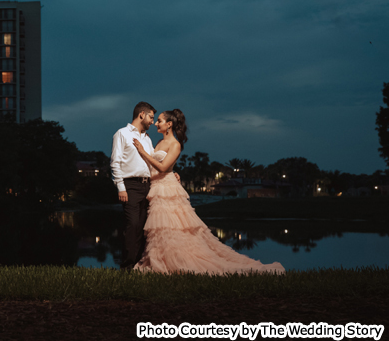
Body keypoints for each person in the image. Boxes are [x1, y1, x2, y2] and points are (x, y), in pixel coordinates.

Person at [132, 109, 285, 275]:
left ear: (169, 124)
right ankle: (159, 260)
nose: (156, 123)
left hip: (167, 189)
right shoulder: (160, 143)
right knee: (161, 229)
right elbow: (162, 166)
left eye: (159, 120)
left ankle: (177, 261)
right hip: (157, 187)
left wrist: (143, 152)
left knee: (172, 228)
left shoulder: (175, 144)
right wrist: (171, 170)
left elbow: (162, 166)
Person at [111, 102, 179, 270]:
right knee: (132, 224)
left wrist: (171, 172)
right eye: (151, 117)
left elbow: (153, 163)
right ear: (141, 115)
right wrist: (121, 187)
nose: (152, 122)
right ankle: (127, 267)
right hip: (130, 185)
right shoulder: (122, 134)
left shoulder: (147, 139)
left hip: (148, 186)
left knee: (143, 228)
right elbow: (115, 163)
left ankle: (138, 266)